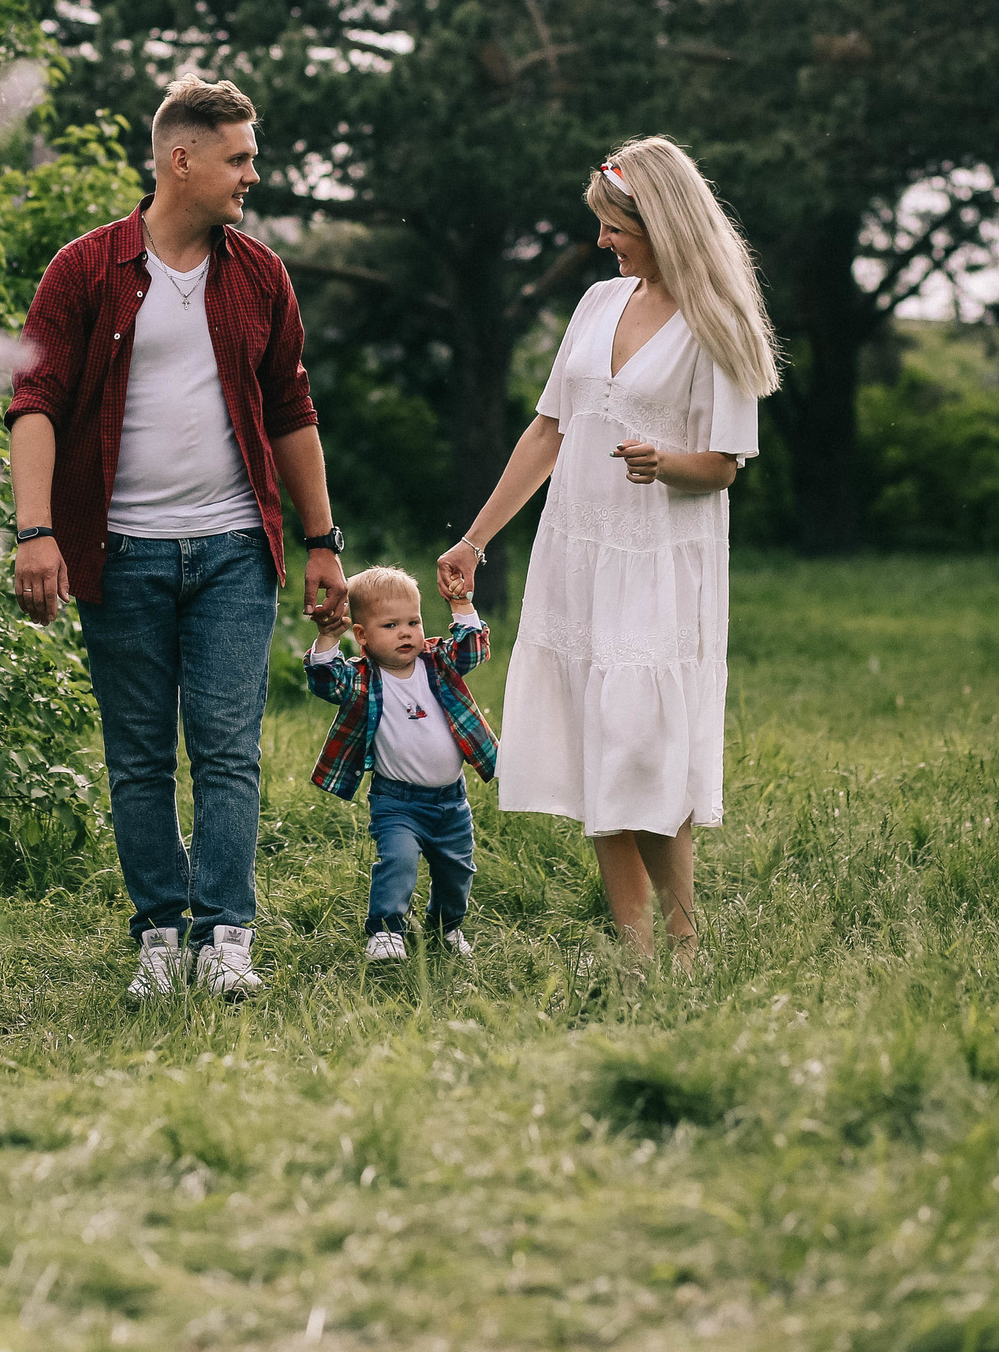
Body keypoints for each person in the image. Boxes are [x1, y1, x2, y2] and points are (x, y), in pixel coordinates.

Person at [6, 74, 349, 999]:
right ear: (180, 159)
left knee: (230, 745)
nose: (251, 175)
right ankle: (161, 931)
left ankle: (225, 934)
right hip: (120, 553)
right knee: (139, 754)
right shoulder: (84, 270)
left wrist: (324, 541)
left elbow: (292, 409)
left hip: (235, 549)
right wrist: (36, 531)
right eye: (238, 158)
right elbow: (32, 402)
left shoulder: (261, 275)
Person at [436, 137, 780, 965]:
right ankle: (635, 952)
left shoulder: (717, 320)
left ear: (659, 220)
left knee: (641, 746)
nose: (601, 242)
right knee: (600, 749)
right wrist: (477, 538)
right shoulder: (596, 306)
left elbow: (727, 463)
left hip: (662, 560)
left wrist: (665, 464)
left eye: (614, 225)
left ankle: (687, 940)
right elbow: (550, 429)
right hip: (578, 549)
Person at [305, 566, 497, 962]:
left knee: (457, 871)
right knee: (397, 861)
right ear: (362, 636)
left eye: (413, 621)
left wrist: (460, 604)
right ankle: (386, 931)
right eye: (390, 625)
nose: (406, 632)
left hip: (452, 802)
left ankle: (446, 927)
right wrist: (327, 636)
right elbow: (325, 681)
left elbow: (472, 651)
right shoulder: (362, 678)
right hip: (398, 803)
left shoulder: (436, 663)